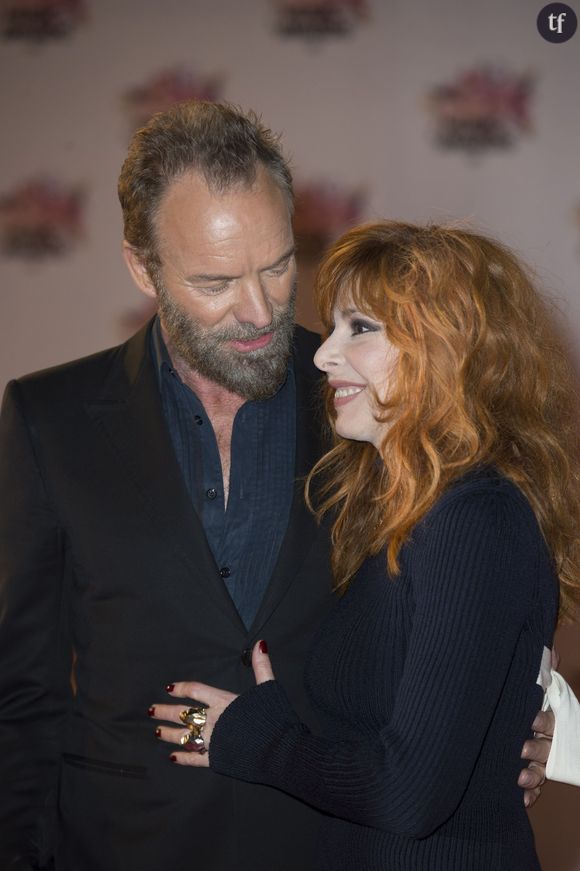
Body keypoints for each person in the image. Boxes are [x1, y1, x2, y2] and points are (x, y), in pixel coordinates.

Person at [0, 103, 550, 871]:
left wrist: (523, 721)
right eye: (217, 280)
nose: (260, 311)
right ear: (142, 266)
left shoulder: (370, 402)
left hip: (324, 841)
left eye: (280, 264)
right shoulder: (47, 418)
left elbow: (455, 606)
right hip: (124, 842)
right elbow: (19, 694)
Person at [152, 221, 580, 870]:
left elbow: (409, 793)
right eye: (334, 327)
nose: (322, 355)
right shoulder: (409, 511)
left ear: (446, 346)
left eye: (361, 328)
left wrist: (256, 738)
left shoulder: (474, 516)